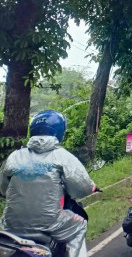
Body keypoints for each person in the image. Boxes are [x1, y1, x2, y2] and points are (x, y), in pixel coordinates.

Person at [0, 110, 97, 257]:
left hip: (11, 225)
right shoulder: (63, 156)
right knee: (79, 225)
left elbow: (2, 189)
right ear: (60, 132)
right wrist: (92, 188)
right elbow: (82, 187)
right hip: (50, 224)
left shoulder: (15, 156)